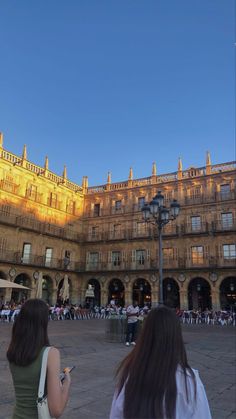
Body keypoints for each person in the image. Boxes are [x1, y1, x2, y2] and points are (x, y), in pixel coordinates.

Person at [110, 305, 212, 419]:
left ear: (145, 335)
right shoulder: (189, 381)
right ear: (176, 335)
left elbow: (115, 414)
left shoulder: (129, 375)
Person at [7, 298, 71, 418]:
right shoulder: (51, 353)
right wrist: (66, 383)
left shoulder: (13, 350)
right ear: (43, 323)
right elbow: (56, 410)